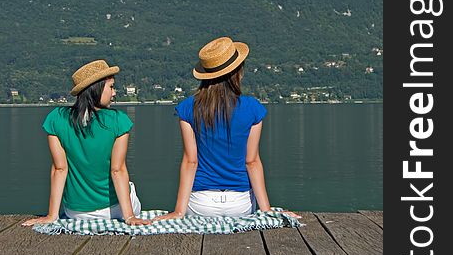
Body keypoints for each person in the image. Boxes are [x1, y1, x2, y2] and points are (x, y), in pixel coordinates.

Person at [155, 36, 300, 220]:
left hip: (201, 203)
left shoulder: (187, 108)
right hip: (240, 204)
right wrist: (266, 210)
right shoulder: (252, 108)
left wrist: (179, 212)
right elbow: (252, 162)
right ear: (237, 72)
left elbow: (190, 162)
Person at [23, 59, 150, 226]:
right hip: (114, 210)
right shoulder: (119, 121)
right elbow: (117, 170)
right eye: (111, 87)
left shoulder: (56, 118)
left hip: (76, 213)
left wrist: (51, 216)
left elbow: (59, 169)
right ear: (96, 89)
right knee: (130, 185)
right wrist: (129, 217)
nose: (114, 93)